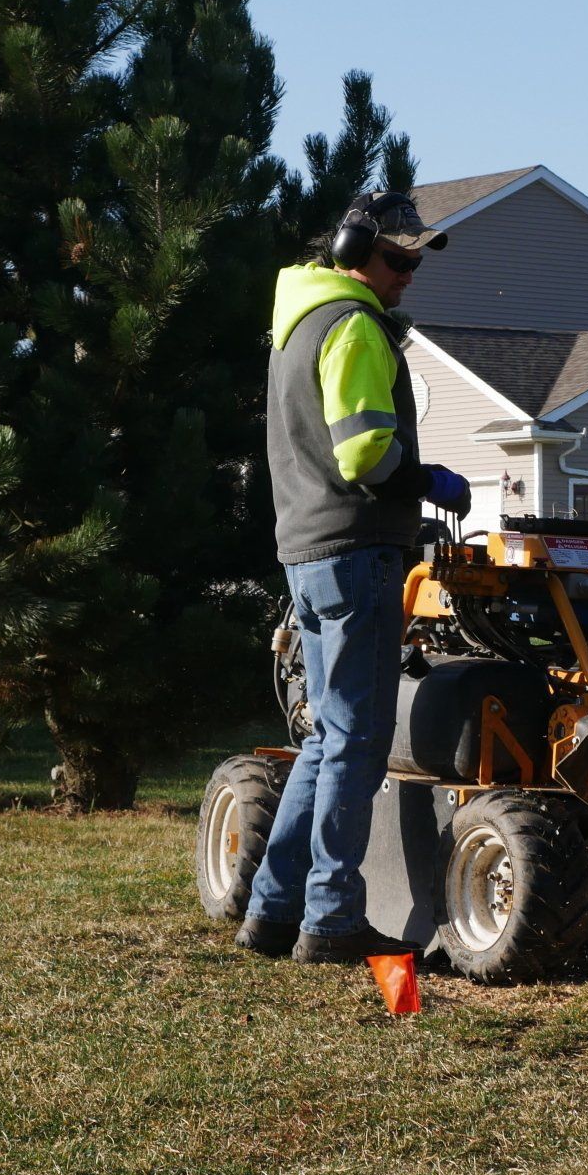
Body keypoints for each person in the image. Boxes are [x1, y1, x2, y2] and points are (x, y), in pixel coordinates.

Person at [237, 190, 472, 963]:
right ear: (351, 249)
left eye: (413, 261)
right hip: (357, 551)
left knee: (326, 738)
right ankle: (331, 919)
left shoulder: (297, 323)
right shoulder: (354, 326)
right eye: (397, 259)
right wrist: (428, 479)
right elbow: (365, 456)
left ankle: (274, 912)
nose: (407, 274)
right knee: (359, 741)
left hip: (308, 551)